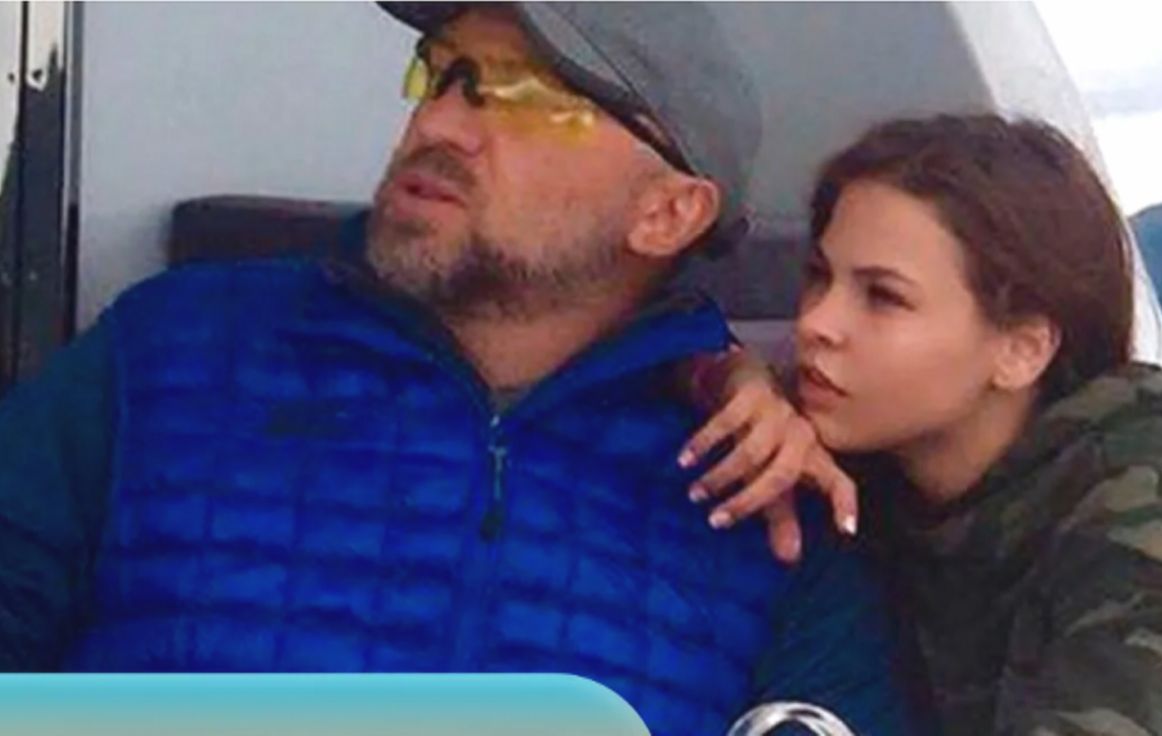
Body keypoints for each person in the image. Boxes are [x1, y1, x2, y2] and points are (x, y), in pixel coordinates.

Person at [0, 4, 904, 734]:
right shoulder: (174, 350)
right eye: (440, 75)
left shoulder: (761, 494)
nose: (436, 125)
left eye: (519, 95)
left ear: (666, 213)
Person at [690, 114, 1162, 735]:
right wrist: (728, 379)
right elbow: (670, 358)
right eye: (819, 277)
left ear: (1022, 349)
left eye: (883, 297)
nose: (816, 323)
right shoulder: (869, 466)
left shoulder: (1159, 506)